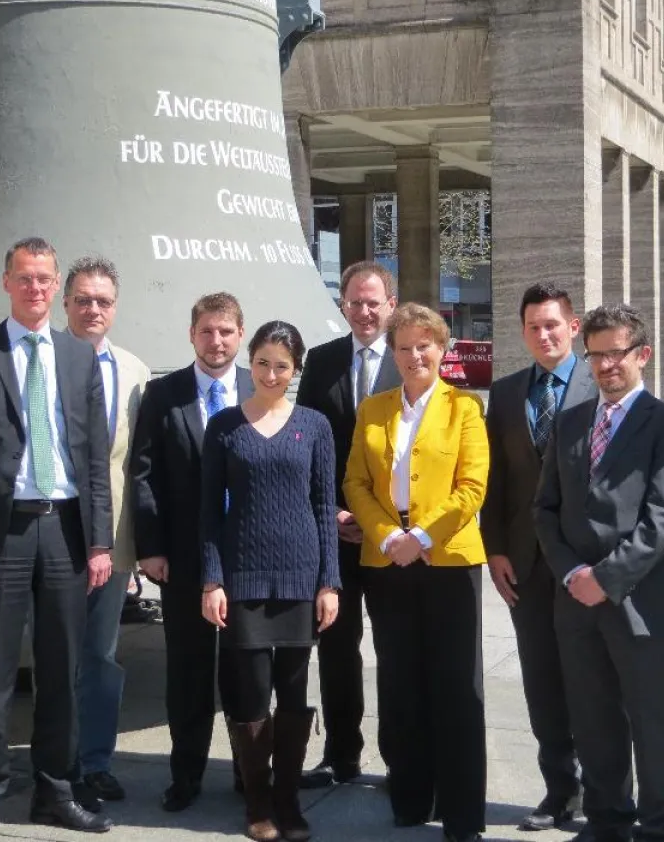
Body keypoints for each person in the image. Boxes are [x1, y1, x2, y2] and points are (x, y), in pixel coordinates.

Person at [0, 237, 114, 841]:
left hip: (66, 530)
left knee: (62, 669)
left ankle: (55, 790)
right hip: (2, 533)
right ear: (6, 282)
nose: (36, 288)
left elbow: (94, 460)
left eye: (45, 278)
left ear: (55, 283)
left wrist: (100, 543)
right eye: (25, 278)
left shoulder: (78, 356)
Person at [534, 304, 664, 842]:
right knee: (594, 719)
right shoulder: (571, 421)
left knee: (652, 723)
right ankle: (606, 818)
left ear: (641, 355)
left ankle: (656, 824)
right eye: (595, 355)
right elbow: (544, 509)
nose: (603, 365)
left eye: (614, 354)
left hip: (640, 604)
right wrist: (572, 571)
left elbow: (661, 520)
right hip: (574, 603)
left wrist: (606, 577)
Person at [344, 303, 489, 842]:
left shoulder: (465, 409)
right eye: (403, 346)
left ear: (442, 349)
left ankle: (462, 815)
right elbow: (355, 482)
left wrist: (421, 537)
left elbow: (472, 487)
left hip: (447, 559)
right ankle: (410, 798)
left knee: (455, 688)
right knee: (401, 683)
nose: (414, 355)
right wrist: (387, 536)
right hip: (387, 562)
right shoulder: (373, 409)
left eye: (424, 345)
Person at [200, 320, 340, 842]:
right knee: (252, 693)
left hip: (302, 578)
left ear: (296, 369)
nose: (271, 373)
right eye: (262, 363)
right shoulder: (225, 426)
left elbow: (325, 507)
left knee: (295, 690)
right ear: (250, 362)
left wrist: (330, 583)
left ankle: (288, 800)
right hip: (244, 577)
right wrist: (212, 580)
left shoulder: (315, 427)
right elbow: (209, 512)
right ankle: (257, 803)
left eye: (282, 365)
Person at [130, 292, 250, 812]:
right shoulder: (164, 394)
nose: (216, 341)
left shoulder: (259, 386)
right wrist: (150, 547)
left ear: (239, 335)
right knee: (189, 674)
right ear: (192, 334)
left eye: (225, 331)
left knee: (247, 672)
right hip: (182, 559)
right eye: (207, 331)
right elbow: (144, 473)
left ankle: (250, 774)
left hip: (250, 558)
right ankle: (186, 776)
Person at [481, 282, 591, 831]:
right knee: (542, 680)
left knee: (595, 680)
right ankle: (558, 790)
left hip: (587, 564)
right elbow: (494, 482)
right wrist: (494, 548)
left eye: (553, 324)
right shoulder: (503, 395)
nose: (543, 335)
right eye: (533, 327)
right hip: (524, 562)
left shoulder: (603, 383)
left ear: (574, 327)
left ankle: (607, 789)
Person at [294, 260, 400, 788]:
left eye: (372, 302)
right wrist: (331, 512)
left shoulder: (411, 361)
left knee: (396, 650)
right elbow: (311, 444)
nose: (363, 311)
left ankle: (400, 757)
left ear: (391, 306)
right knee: (337, 649)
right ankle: (341, 753)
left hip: (394, 538)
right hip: (335, 534)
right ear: (344, 305)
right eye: (354, 302)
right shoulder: (322, 361)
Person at [62, 256, 151, 811]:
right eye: (83, 299)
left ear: (114, 308)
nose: (93, 309)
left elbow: (140, 463)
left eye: (103, 301)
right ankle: (54, 761)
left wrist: (143, 544)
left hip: (111, 539)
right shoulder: (39, 363)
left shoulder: (136, 372)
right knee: (53, 654)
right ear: (65, 304)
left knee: (99, 654)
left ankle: (92, 762)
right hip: (48, 533)